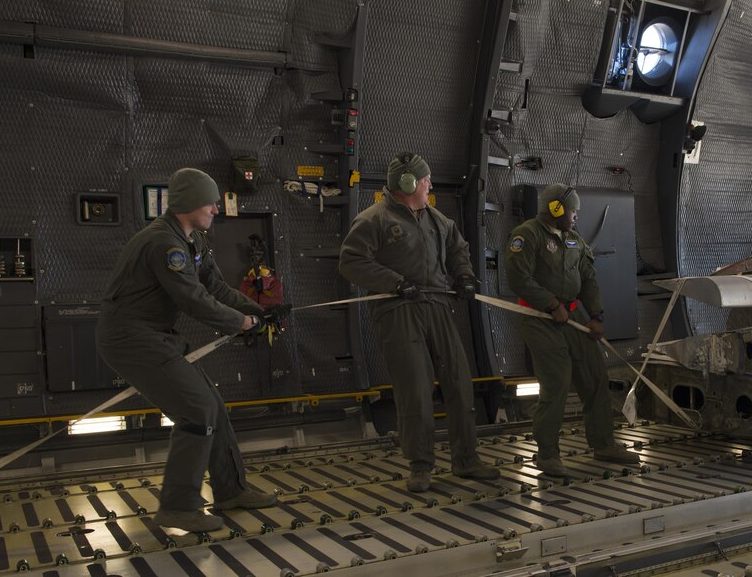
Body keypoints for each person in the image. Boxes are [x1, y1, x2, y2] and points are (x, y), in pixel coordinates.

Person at [97, 167, 290, 532]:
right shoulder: (164, 244)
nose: (217, 209)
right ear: (189, 203)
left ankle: (231, 490)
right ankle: (178, 506)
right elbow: (193, 299)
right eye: (211, 203)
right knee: (197, 409)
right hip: (130, 338)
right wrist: (242, 323)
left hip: (155, 335)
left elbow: (215, 287)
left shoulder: (193, 240)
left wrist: (258, 311)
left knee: (212, 405)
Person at [338, 152, 499, 492]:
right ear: (407, 183)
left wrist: (465, 278)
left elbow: (458, 250)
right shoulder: (374, 219)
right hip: (399, 309)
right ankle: (421, 465)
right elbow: (351, 262)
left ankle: (466, 459)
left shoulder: (438, 220)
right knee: (415, 388)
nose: (429, 184)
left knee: (459, 381)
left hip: (437, 305)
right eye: (424, 179)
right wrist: (394, 282)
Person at [504, 183, 639, 476]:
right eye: (572, 210)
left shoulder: (575, 241)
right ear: (555, 209)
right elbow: (518, 278)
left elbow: (589, 279)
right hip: (540, 318)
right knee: (557, 381)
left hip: (573, 316)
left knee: (594, 377)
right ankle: (548, 454)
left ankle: (603, 443)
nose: (576, 215)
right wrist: (552, 305)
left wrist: (596, 316)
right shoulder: (527, 236)